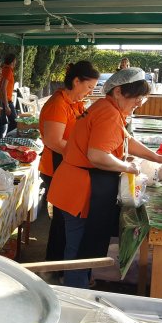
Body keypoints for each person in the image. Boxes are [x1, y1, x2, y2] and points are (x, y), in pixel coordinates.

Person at [47, 68, 162, 288]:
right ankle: (75, 293)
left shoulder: (107, 108)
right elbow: (97, 156)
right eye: (136, 97)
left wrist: (157, 157)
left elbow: (126, 140)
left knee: (80, 247)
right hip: (80, 191)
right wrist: (128, 167)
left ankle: (77, 285)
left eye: (142, 97)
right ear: (118, 92)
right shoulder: (109, 113)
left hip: (74, 185)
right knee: (79, 251)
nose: (139, 102)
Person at [39, 61, 99, 263]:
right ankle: (54, 265)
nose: (90, 92)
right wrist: (83, 156)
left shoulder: (74, 103)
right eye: (89, 87)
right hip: (55, 166)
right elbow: (53, 141)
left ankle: (58, 263)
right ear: (76, 81)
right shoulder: (58, 104)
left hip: (68, 165)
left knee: (64, 219)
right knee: (62, 220)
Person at [0, 53, 18, 133]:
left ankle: (6, 137)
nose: (16, 63)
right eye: (15, 61)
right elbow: (3, 87)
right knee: (14, 122)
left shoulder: (3, 69)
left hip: (2, 99)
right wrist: (6, 105)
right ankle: (7, 138)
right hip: (5, 100)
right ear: (12, 61)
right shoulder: (8, 71)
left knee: (2, 124)